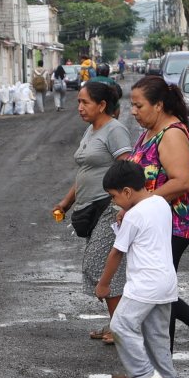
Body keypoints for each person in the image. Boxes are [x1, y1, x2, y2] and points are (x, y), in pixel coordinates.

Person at [128, 75, 189, 368]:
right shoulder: (150, 131)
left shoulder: (172, 133)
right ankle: (172, 357)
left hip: (171, 226)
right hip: (154, 226)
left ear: (158, 105)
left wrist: (143, 203)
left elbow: (182, 181)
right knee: (158, 292)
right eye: (132, 105)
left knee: (156, 292)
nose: (133, 111)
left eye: (138, 105)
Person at [97, 160, 182, 378]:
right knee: (157, 337)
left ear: (126, 192)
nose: (114, 202)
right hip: (166, 282)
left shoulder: (133, 216)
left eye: (114, 196)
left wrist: (103, 284)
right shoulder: (161, 203)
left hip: (144, 284)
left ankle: (144, 376)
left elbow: (116, 252)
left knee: (120, 325)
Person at [54, 82, 133, 345]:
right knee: (103, 266)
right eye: (79, 101)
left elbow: (127, 170)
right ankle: (116, 324)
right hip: (91, 209)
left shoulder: (115, 130)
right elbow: (85, 172)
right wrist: (66, 203)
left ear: (101, 105)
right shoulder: (91, 130)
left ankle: (121, 328)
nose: (79, 107)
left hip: (110, 208)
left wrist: (124, 207)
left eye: (85, 102)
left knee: (100, 264)